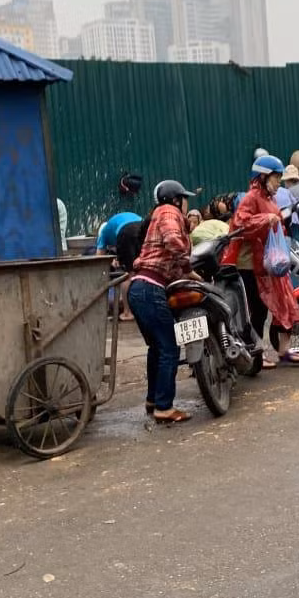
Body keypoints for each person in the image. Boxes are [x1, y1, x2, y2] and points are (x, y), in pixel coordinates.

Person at [127, 179, 198, 424]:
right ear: (176, 199)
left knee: (156, 348)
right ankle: (164, 407)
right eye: (184, 198)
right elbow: (172, 240)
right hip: (150, 289)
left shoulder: (155, 215)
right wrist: (188, 267)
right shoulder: (168, 212)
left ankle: (152, 400)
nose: (187, 203)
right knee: (170, 348)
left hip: (139, 288)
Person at [221, 154, 299, 366]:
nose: (278, 183)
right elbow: (240, 224)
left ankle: (283, 350)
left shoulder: (270, 199)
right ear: (262, 177)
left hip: (269, 263)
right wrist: (266, 219)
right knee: (256, 311)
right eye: (275, 178)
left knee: (282, 304)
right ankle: (255, 356)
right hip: (248, 265)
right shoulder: (250, 198)